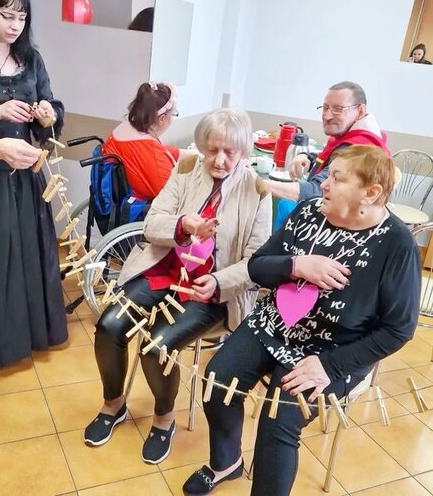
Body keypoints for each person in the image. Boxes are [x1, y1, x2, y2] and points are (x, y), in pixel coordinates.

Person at [183, 145, 421, 496]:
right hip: (274, 324)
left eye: (337, 179)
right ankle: (226, 462)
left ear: (370, 194)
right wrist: (296, 265)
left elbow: (398, 329)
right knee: (218, 381)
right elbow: (257, 267)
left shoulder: (397, 245)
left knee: (278, 420)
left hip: (335, 350)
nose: (323, 184)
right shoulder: (309, 212)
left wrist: (330, 365)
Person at [84, 108, 272, 465]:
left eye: (229, 152)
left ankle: (163, 419)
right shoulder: (186, 170)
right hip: (164, 272)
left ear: (243, 151)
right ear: (202, 146)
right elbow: (152, 224)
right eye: (212, 150)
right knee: (109, 326)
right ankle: (114, 404)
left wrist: (217, 281)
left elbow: (256, 263)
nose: (219, 160)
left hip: (211, 291)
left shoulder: (257, 191)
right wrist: (183, 225)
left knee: (156, 346)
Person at [0, 0, 67, 369]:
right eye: (6, 16)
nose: (15, 26)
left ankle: (25, 338)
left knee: (26, 259)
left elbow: (50, 113)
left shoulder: (31, 60)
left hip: (25, 181)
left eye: (22, 17)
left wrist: (48, 115)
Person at [270, 81, 390, 229]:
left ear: (360, 111)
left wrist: (262, 185)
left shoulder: (358, 148)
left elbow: (317, 191)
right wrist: (308, 157)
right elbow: (328, 158)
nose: (327, 116)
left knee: (283, 204)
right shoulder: (351, 135)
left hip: (335, 225)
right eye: (325, 108)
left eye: (338, 109)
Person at [101, 82, 182, 201]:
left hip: (115, 200)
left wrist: (190, 154)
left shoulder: (126, 129)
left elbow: (162, 152)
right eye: (174, 114)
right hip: (141, 208)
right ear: (162, 118)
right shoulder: (149, 150)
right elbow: (171, 196)